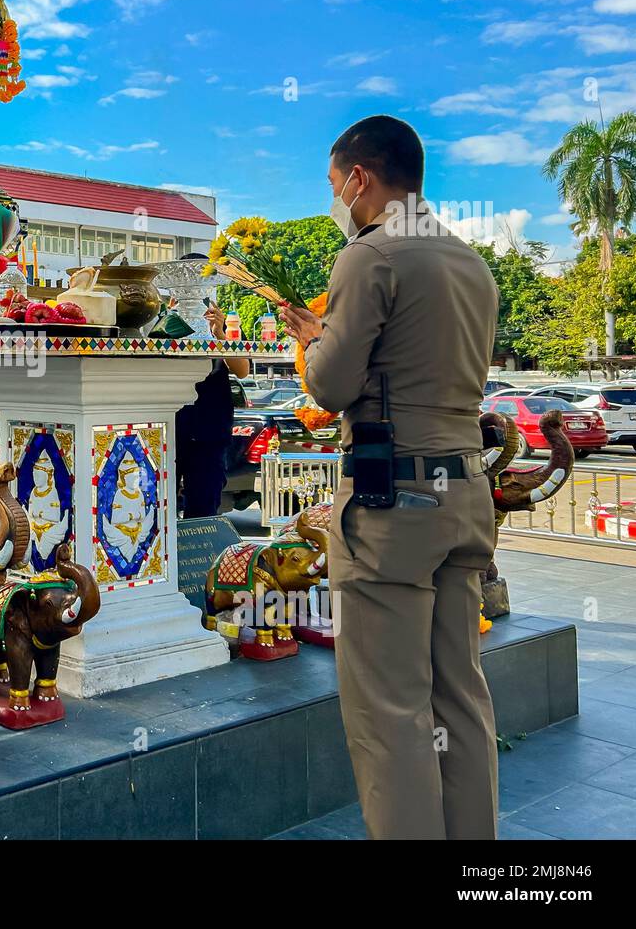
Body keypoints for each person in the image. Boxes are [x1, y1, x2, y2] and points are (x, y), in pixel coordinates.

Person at [280, 115, 500, 841]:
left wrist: (307, 345)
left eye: (334, 184)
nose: (336, 198)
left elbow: (333, 387)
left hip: (392, 503)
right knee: (459, 697)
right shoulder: (469, 261)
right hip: (463, 494)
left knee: (390, 712)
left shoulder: (370, 255)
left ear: (360, 178)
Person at [176, 302, 250, 518]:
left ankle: (200, 551)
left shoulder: (217, 319)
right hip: (170, 422)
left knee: (204, 506)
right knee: (159, 502)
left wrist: (219, 334)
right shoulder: (164, 317)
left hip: (210, 425)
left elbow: (243, 369)